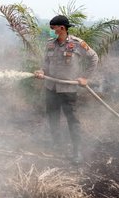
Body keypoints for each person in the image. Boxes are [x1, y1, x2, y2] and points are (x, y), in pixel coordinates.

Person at [34, 15, 99, 164]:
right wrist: (42, 72)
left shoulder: (77, 44)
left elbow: (94, 58)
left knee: (72, 120)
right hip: (51, 88)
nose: (51, 31)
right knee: (53, 117)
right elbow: (46, 64)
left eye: (53, 28)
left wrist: (85, 77)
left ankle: (77, 152)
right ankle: (57, 146)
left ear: (61, 28)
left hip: (68, 89)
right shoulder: (50, 44)